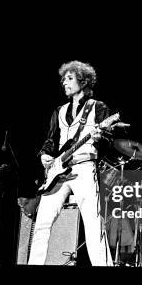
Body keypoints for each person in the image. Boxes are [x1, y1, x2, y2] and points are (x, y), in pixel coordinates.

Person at [29, 60, 113, 266]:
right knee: (42, 223)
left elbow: (110, 141)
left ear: (83, 82)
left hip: (84, 168)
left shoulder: (98, 107)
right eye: (63, 79)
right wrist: (44, 156)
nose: (64, 83)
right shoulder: (60, 110)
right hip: (59, 171)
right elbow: (50, 140)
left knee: (93, 225)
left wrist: (99, 137)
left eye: (69, 79)